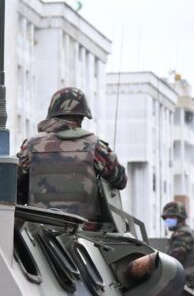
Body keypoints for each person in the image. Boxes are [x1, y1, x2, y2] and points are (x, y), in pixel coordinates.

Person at [17, 87, 127, 229]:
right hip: (86, 235)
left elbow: (15, 186)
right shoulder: (94, 145)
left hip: (39, 237)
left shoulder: (30, 146)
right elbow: (120, 180)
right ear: (79, 117)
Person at [162, 201, 194, 285]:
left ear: (180, 218)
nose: (168, 221)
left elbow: (175, 259)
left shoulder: (183, 234)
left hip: (187, 283)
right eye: (166, 218)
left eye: (171, 217)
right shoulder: (184, 232)